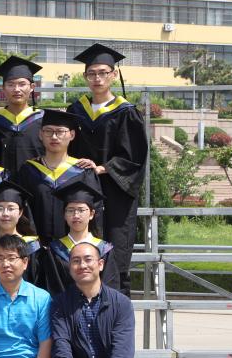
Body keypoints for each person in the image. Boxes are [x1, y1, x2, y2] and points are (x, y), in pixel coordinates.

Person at [66, 43, 148, 296]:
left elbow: (135, 157)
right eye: (92, 73)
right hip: (82, 190)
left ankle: (116, 308)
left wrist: (103, 168)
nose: (97, 78)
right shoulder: (75, 111)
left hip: (115, 193)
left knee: (115, 251)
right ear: (85, 77)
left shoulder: (127, 113)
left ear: (114, 75)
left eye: (103, 73)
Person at [15, 109, 102, 244]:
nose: (54, 137)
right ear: (40, 134)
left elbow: (95, 213)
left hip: (75, 247)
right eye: (48, 131)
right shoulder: (28, 170)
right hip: (36, 246)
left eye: (60, 132)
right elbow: (23, 212)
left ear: (72, 135)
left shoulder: (84, 171)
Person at [0, 180, 59, 293]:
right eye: (0, 208)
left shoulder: (35, 248)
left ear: (20, 213)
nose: (5, 214)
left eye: (11, 208)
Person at [49, 181, 120, 292]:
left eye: (81, 210)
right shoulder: (55, 250)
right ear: (64, 215)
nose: (76, 215)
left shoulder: (104, 250)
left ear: (91, 214)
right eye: (70, 210)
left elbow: (111, 287)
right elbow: (53, 287)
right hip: (64, 303)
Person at [0, 56, 45, 173]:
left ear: (32, 87)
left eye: (22, 84)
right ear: (3, 88)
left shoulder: (43, 121)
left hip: (36, 181)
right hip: (1, 182)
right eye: (11, 84)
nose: (16, 89)